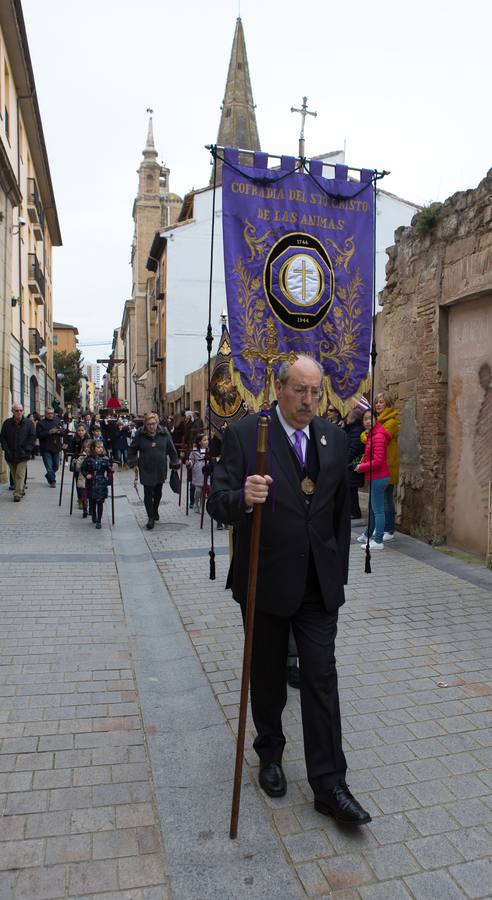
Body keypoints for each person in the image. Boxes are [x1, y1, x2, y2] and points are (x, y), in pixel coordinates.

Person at [207, 355, 370, 826]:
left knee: (321, 678)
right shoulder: (246, 436)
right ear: (278, 389)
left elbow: (340, 514)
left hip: (317, 585)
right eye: (300, 390)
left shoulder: (333, 439)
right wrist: (243, 499)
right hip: (265, 580)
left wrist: (336, 572)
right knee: (269, 675)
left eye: (315, 391)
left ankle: (330, 783)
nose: (309, 400)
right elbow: (218, 501)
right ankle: (271, 753)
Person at [128, 411, 179, 530]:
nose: (152, 426)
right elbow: (132, 450)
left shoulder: (164, 433)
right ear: (145, 424)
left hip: (160, 467)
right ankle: (150, 517)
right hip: (146, 467)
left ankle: (155, 510)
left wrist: (174, 462)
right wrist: (134, 462)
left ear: (157, 423)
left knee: (158, 492)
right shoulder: (140, 434)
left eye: (153, 423)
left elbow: (171, 449)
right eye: (149, 424)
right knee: (148, 492)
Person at [356, 409, 391, 550]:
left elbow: (378, 461)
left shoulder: (378, 436)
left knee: (378, 510)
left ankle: (378, 541)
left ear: (376, 419)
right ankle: (367, 534)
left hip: (379, 477)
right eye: (365, 419)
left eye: (370, 418)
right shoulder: (372, 434)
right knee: (372, 508)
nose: (368, 421)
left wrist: (361, 467)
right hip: (376, 476)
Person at [374, 391, 399, 540]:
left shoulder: (391, 422)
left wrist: (368, 433)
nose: (377, 404)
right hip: (380, 466)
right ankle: (382, 528)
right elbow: (366, 436)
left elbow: (375, 437)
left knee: (386, 499)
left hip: (389, 466)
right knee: (383, 498)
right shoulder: (379, 421)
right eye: (377, 402)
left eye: (381, 402)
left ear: (388, 404)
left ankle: (389, 530)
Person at [1, 404, 36, 501]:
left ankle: (17, 494)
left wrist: (27, 449)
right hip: (10, 454)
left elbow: (32, 437)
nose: (19, 412)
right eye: (17, 410)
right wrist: (6, 449)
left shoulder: (29, 423)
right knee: (14, 473)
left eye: (21, 410)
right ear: (12, 411)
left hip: (23, 454)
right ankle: (20, 488)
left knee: (19, 474)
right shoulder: (7, 423)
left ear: (23, 411)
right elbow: (2, 437)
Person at [81, 440, 114, 529]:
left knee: (100, 502)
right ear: (93, 448)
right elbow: (82, 469)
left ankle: (99, 520)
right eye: (98, 447)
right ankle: (94, 515)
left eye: (101, 447)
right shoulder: (88, 459)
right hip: (91, 483)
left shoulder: (105, 459)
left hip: (101, 483)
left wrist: (111, 473)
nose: (100, 449)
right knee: (92, 501)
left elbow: (109, 471)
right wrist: (86, 474)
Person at [345, 408, 365, 519]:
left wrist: (344, 460)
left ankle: (355, 512)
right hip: (350, 465)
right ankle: (352, 511)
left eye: (348, 416)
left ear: (353, 418)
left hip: (352, 465)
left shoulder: (356, 430)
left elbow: (354, 449)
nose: (347, 418)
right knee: (350, 490)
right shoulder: (352, 429)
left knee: (352, 490)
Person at [36, 407, 64, 488]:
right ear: (45, 414)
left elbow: (63, 432)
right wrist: (49, 432)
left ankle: (48, 476)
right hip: (46, 448)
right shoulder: (40, 423)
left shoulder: (57, 422)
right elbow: (39, 435)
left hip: (56, 447)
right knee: (49, 466)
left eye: (52, 413)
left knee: (56, 466)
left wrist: (59, 431)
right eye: (48, 413)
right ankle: (52, 481)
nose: (50, 415)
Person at [187, 433, 208, 515]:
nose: (207, 442)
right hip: (198, 471)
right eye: (204, 440)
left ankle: (203, 506)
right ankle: (196, 503)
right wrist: (189, 463)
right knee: (198, 490)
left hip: (206, 471)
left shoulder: (209, 450)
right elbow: (191, 461)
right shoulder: (194, 451)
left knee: (204, 491)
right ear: (199, 442)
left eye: (207, 440)